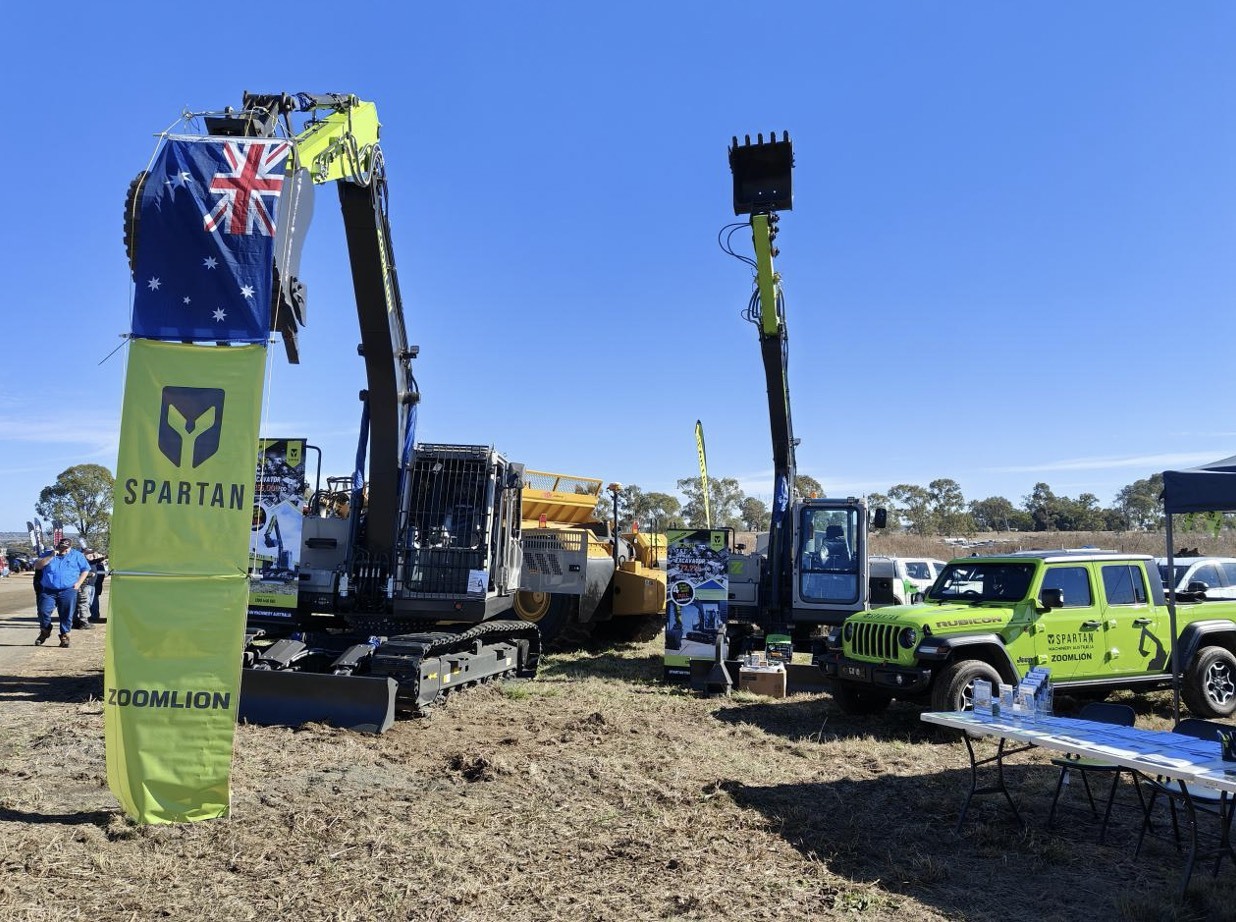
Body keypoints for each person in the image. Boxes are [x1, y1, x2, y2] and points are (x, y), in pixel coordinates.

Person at [33, 538, 91, 648]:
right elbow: (37, 566)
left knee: (66, 614)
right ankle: (45, 630)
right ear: (57, 546)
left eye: (66, 548)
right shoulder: (48, 554)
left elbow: (85, 569)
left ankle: (65, 636)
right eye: (61, 548)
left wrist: (78, 583)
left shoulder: (77, 555)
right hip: (48, 590)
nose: (63, 550)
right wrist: (50, 556)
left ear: (70, 547)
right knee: (43, 611)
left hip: (68, 590)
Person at [88, 553, 108, 622]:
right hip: (94, 586)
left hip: (95, 586)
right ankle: (94, 615)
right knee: (92, 601)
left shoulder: (98, 566)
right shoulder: (97, 565)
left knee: (93, 601)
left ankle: (95, 616)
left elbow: (100, 578)